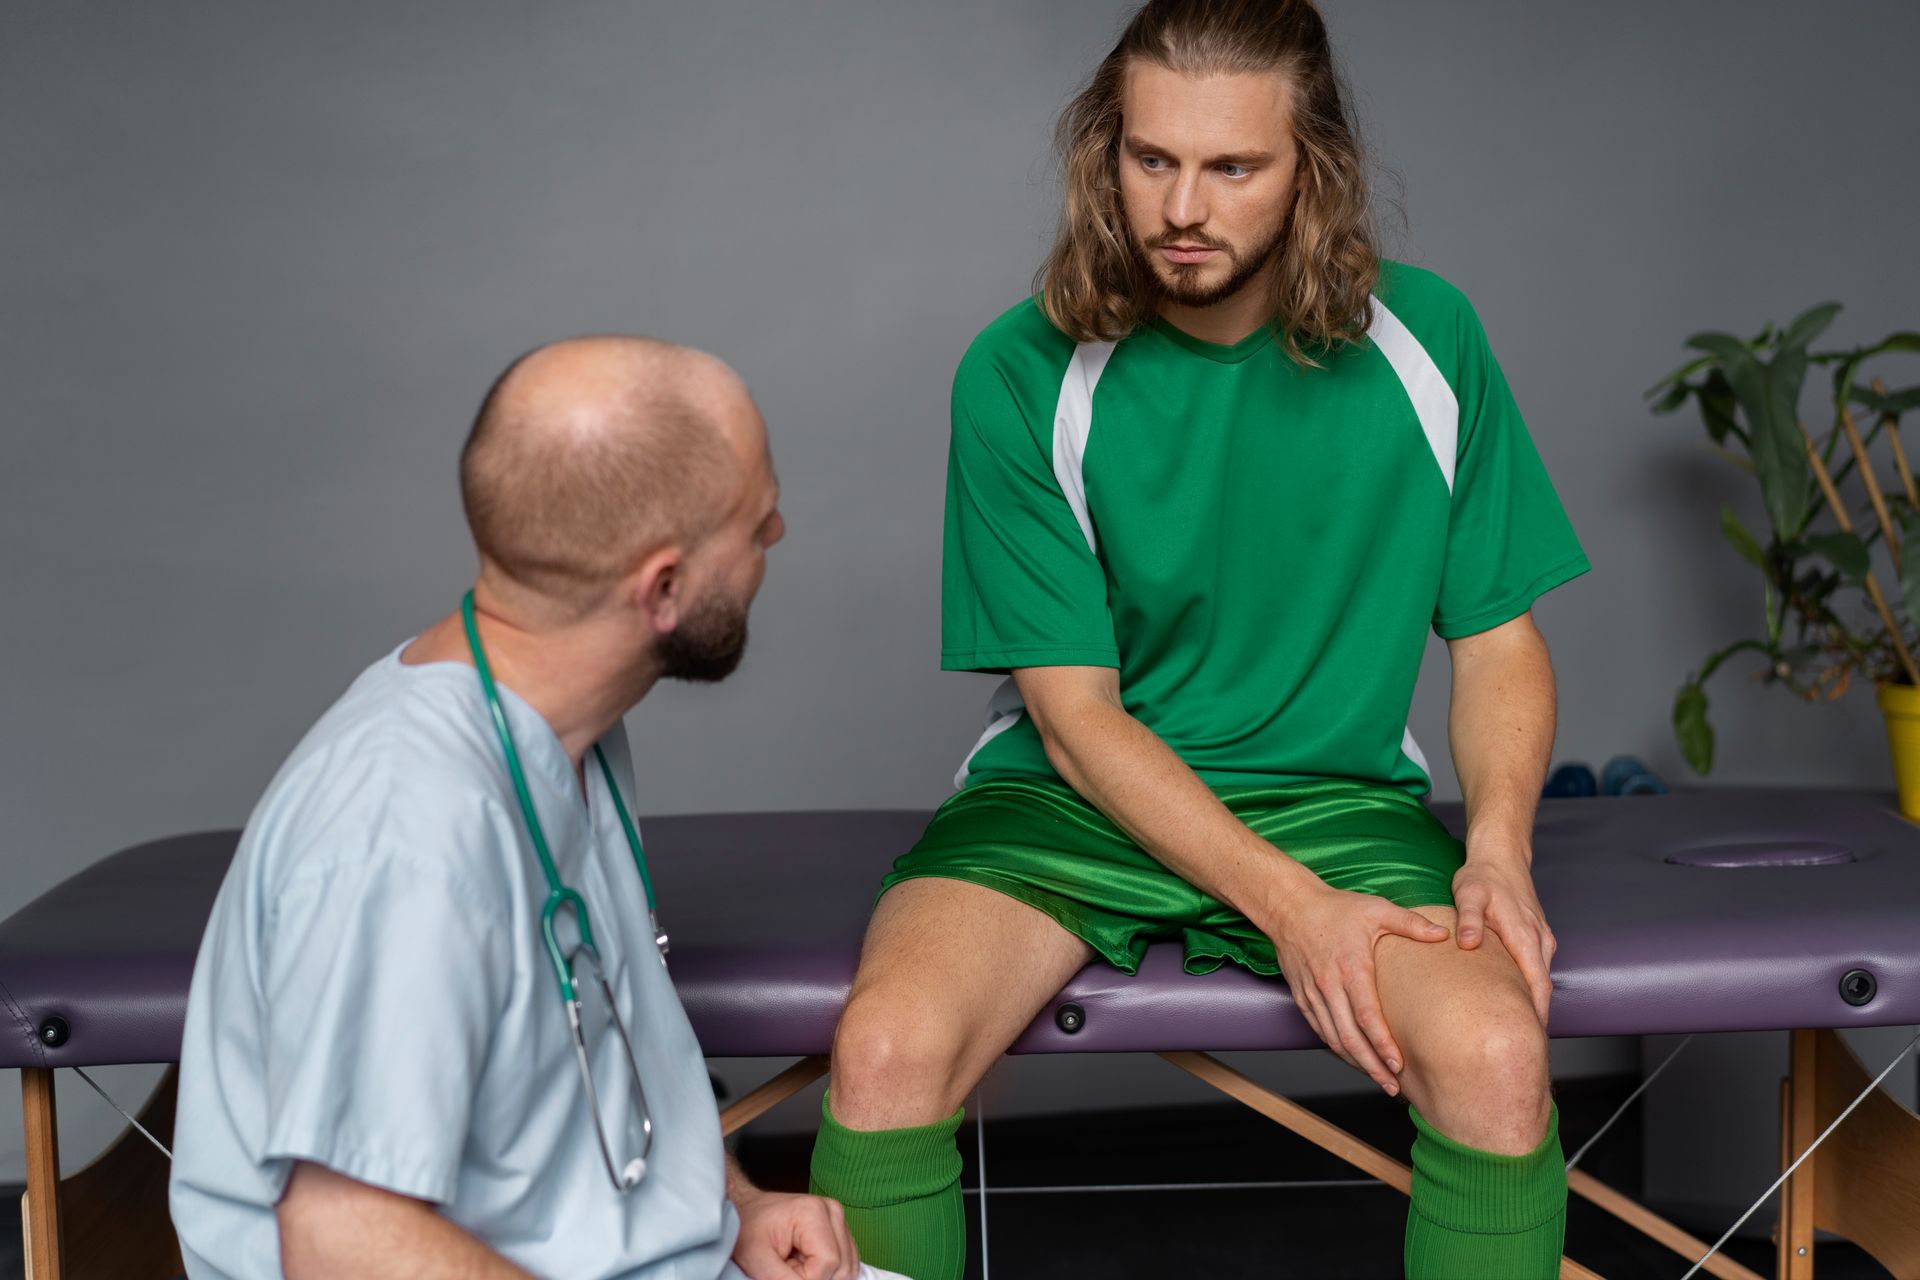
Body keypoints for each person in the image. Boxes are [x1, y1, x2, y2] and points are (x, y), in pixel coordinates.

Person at [807, 3, 1589, 1277]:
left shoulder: (1431, 341)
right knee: (887, 1046)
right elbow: (1076, 720)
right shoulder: (1017, 371)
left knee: (1499, 1060)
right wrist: (1297, 914)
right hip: (1075, 800)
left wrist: (1498, 849)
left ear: (1313, 170)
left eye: (1234, 167)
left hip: (1329, 795)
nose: (1182, 205)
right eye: (1150, 158)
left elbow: (1499, 640)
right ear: (1105, 152)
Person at [169, 337, 879, 1279]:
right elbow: (344, 1246)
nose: (778, 534)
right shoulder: (406, 833)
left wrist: (733, 1206)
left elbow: (593, 1080)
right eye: (757, 523)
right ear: (663, 589)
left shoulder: (566, 729)